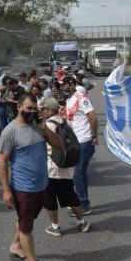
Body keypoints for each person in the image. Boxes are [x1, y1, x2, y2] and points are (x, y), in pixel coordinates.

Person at [0, 93, 62, 261]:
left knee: (27, 219)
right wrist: (6, 190)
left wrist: (45, 130)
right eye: (28, 109)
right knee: (27, 226)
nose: (32, 112)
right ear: (18, 107)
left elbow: (59, 146)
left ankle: (16, 246)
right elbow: (2, 161)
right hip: (23, 188)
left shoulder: (39, 126)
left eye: (35, 109)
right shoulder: (10, 131)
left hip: (42, 185)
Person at [40, 98, 89, 236]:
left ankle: (55, 227)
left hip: (50, 169)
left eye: (43, 109)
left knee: (50, 200)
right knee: (71, 198)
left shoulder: (47, 126)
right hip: (66, 168)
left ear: (49, 110)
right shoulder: (66, 122)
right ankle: (81, 223)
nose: (41, 112)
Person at [61, 75, 98, 215]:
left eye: (64, 85)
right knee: (77, 173)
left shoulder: (81, 97)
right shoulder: (69, 99)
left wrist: (93, 135)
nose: (62, 88)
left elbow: (93, 116)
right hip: (75, 141)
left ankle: (84, 204)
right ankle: (80, 201)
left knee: (78, 173)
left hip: (84, 140)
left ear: (71, 84)